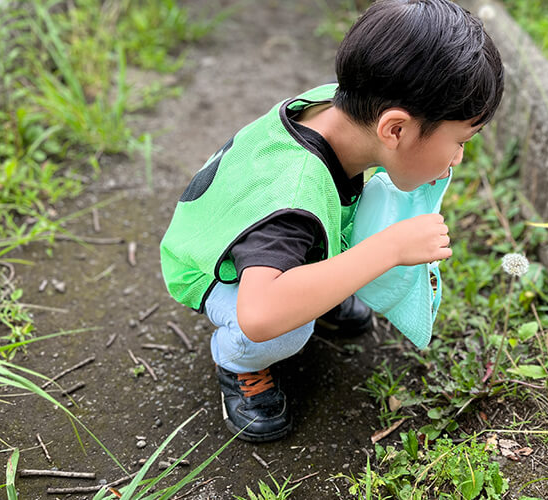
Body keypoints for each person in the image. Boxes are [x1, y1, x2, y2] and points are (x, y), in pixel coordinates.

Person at [159, 0, 504, 442]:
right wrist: (390, 249)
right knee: (287, 329)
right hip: (211, 265)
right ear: (395, 130)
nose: (458, 157)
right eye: (459, 141)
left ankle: (317, 286)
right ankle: (239, 363)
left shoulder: (339, 105)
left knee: (354, 229)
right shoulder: (292, 199)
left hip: (249, 232)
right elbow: (259, 314)